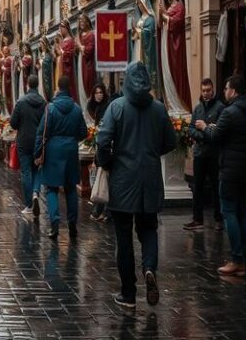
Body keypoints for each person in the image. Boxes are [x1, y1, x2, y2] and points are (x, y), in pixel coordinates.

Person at [96, 62, 177, 309]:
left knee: (123, 237)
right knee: (149, 229)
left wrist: (108, 162)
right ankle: (149, 268)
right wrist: (151, 153)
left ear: (126, 81)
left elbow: (102, 140)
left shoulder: (117, 107)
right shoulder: (159, 109)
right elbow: (170, 142)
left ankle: (128, 294)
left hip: (123, 179)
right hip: (150, 178)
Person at [195, 74, 246, 276]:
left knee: (229, 212)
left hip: (230, 170)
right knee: (241, 211)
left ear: (233, 91)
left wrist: (205, 127)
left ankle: (236, 259)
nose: (224, 92)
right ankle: (244, 261)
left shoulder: (229, 112)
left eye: (226, 88)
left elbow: (215, 137)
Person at [34, 75, 87, 240]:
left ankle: (55, 222)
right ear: (69, 88)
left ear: (58, 88)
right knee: (71, 188)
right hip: (71, 150)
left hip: (53, 150)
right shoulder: (77, 108)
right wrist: (71, 139)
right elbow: (83, 132)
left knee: (52, 188)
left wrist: (37, 152)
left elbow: (42, 131)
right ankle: (72, 224)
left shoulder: (50, 108)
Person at [185, 78, 225, 231]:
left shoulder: (220, 108)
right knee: (198, 187)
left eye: (209, 90)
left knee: (216, 187)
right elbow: (191, 128)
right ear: (201, 91)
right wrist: (203, 134)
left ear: (213, 90)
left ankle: (218, 219)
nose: (206, 93)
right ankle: (197, 219)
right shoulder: (198, 108)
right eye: (204, 91)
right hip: (200, 154)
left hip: (214, 154)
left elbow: (219, 131)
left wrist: (205, 129)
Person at [10, 74, 47, 218]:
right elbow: (46, 122)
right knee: (37, 169)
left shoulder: (21, 102)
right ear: (37, 85)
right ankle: (35, 193)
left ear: (27, 85)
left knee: (26, 172)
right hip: (38, 142)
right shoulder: (44, 103)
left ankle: (29, 205)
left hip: (24, 141)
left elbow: (13, 123)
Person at [158, 0, 192, 114]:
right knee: (166, 74)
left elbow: (176, 23)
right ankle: (171, 105)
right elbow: (161, 25)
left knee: (174, 71)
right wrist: (161, 16)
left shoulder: (179, 6)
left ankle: (179, 105)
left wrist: (164, 15)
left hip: (174, 46)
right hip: (166, 44)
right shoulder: (169, 7)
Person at [87, 83, 110, 222]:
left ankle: (102, 211)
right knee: (103, 179)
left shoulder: (105, 107)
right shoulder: (97, 108)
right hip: (101, 146)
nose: (99, 95)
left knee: (103, 179)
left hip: (105, 147)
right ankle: (103, 211)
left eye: (101, 92)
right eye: (96, 93)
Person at [132, 0, 159, 99]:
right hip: (139, 46)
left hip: (146, 49)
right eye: (138, 3)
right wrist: (135, 32)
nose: (139, 5)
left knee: (146, 69)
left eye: (140, 3)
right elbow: (137, 34)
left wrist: (138, 31)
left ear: (144, 3)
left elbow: (149, 32)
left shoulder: (150, 18)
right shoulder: (141, 18)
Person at [76, 13, 97, 108]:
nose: (81, 23)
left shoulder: (91, 35)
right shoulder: (80, 35)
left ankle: (89, 110)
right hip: (81, 61)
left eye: (83, 20)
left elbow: (89, 50)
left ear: (88, 22)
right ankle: (83, 108)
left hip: (88, 64)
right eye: (80, 21)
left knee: (87, 83)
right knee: (80, 85)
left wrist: (80, 46)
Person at [57, 21, 78, 103]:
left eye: (61, 27)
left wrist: (62, 52)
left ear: (66, 28)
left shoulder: (70, 41)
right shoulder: (64, 41)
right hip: (62, 68)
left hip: (67, 70)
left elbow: (69, 56)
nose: (60, 30)